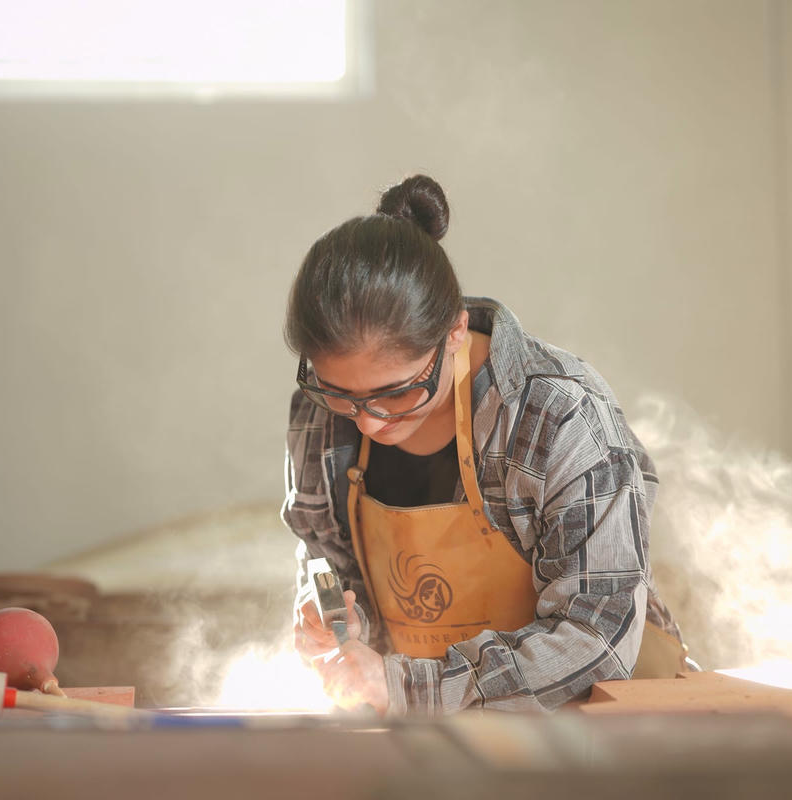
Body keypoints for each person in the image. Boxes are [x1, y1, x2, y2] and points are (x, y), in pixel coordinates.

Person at [281, 175, 688, 715]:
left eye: (396, 393)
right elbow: (324, 561)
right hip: (437, 734)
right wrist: (334, 620)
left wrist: (408, 687)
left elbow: (596, 639)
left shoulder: (556, 416)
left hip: (605, 728)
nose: (370, 423)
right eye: (342, 395)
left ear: (454, 330)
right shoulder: (319, 415)